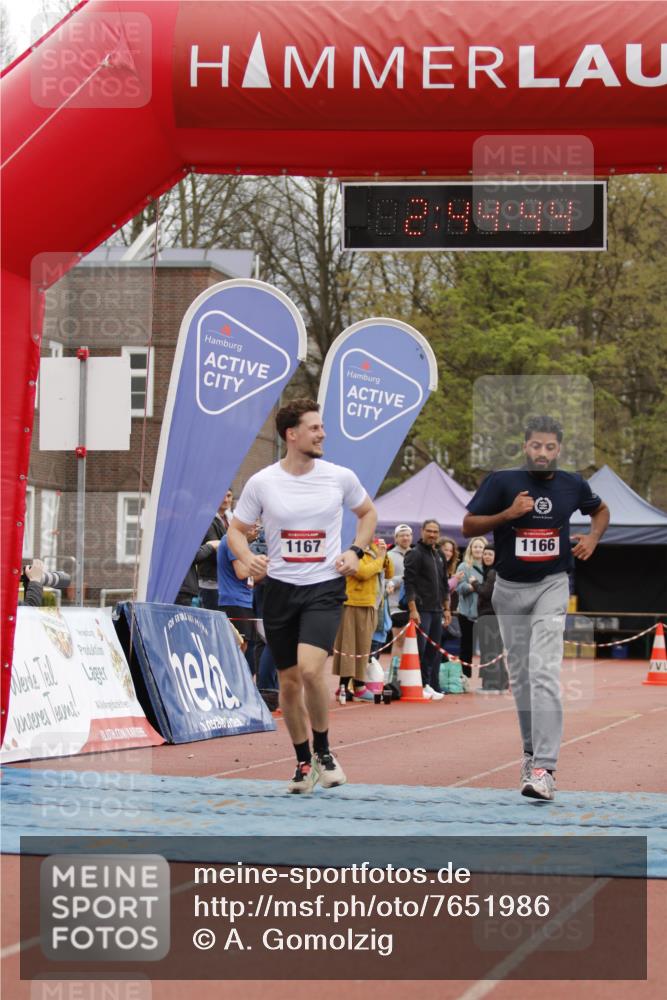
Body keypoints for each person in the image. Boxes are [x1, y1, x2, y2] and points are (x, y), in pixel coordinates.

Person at [227, 398, 376, 793]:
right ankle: (302, 761)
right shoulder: (263, 482)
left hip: (324, 587)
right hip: (279, 590)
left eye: (321, 427)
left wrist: (355, 552)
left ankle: (325, 751)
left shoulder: (339, 477)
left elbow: (368, 515)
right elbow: (236, 530)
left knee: (312, 671)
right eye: (314, 428)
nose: (322, 433)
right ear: (291, 435)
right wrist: (248, 558)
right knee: (288, 681)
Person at [463, 415, 609, 801]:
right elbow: (468, 526)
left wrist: (592, 538)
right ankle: (530, 755)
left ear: (558, 449)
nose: (542, 453)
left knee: (544, 671)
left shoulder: (572, 484)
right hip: (509, 590)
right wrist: (507, 515)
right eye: (535, 446)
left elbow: (601, 510)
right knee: (524, 679)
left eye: (549, 447)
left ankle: (546, 767)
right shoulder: (502, 481)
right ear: (525, 446)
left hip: (552, 585)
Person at [332, 539, 393, 701]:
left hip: (370, 605)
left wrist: (384, 556)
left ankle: (347, 687)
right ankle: (353, 686)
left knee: (362, 647)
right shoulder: (352, 555)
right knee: (349, 646)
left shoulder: (374, 553)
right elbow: (363, 573)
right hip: (352, 605)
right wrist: (380, 559)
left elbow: (389, 573)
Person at [403, 519, 452, 700]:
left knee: (433, 650)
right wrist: (413, 609)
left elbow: (445, 584)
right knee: (421, 649)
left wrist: (447, 609)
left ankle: (428, 684)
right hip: (422, 609)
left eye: (435, 531)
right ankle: (420, 684)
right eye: (429, 531)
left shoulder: (439, 554)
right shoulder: (415, 554)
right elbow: (409, 583)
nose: (432, 534)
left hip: (437, 609)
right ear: (422, 531)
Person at [217, 522, 264, 668]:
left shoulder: (242, 543)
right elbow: (242, 572)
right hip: (234, 601)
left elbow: (251, 578)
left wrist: (268, 568)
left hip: (243, 600)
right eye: (254, 524)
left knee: (243, 647)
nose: (257, 529)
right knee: (235, 647)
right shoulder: (232, 540)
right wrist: (262, 562)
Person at [471, 544, 508, 692]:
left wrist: (474, 583)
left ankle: (492, 684)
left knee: (489, 650)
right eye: (485, 554)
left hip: (489, 616)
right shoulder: (493, 572)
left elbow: (486, 593)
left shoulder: (493, 573)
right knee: (495, 650)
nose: (486, 556)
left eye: (490, 554)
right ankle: (501, 682)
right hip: (494, 616)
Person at [455, 537, 487, 679]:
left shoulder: (490, 566)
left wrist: (478, 586)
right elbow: (459, 588)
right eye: (475, 547)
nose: (478, 549)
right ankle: (465, 677)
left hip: (485, 611)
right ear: (470, 549)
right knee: (466, 646)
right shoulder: (463, 566)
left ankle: (487, 677)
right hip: (466, 611)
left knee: (488, 646)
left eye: (481, 547)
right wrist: (473, 586)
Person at [198, 489, 234, 609]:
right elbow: (215, 549)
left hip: (227, 580)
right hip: (211, 580)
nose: (226, 500)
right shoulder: (207, 518)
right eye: (222, 496)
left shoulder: (231, 519)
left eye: (229, 496)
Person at [386, 524, 413, 668]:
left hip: (414, 605)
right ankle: (394, 675)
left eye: (408, 535)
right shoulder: (389, 556)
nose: (405, 537)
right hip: (395, 604)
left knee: (412, 643)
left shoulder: (416, 554)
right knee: (399, 640)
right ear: (396, 538)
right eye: (402, 535)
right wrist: (398, 580)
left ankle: (409, 675)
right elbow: (384, 580)